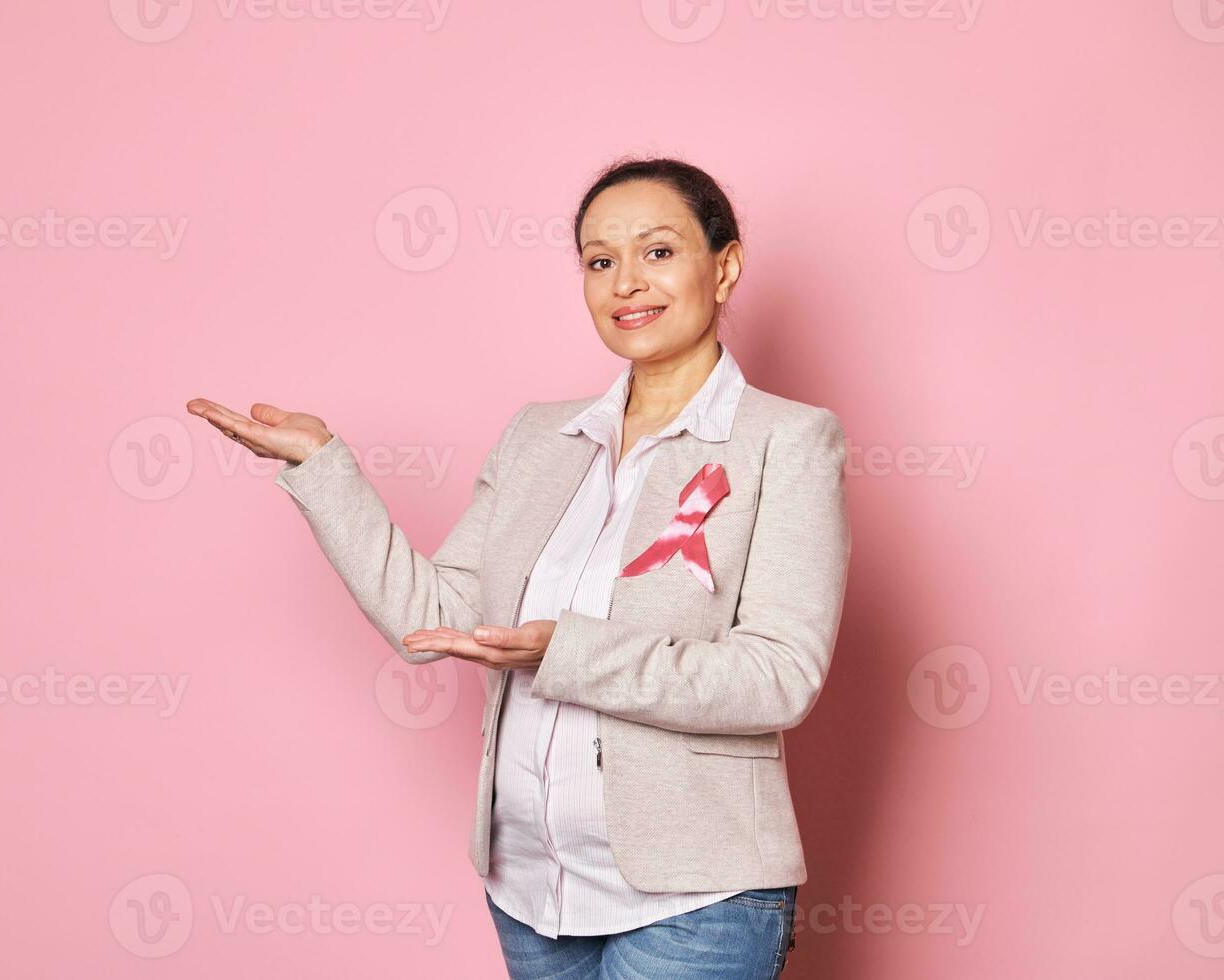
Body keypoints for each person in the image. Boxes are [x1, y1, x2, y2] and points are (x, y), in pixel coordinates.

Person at [188, 156, 851, 979]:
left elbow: (777, 678)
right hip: (530, 893)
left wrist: (561, 652)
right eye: (599, 261)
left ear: (724, 267)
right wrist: (325, 471)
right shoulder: (540, 436)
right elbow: (434, 621)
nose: (625, 284)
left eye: (657, 251)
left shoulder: (786, 441)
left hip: (695, 898)